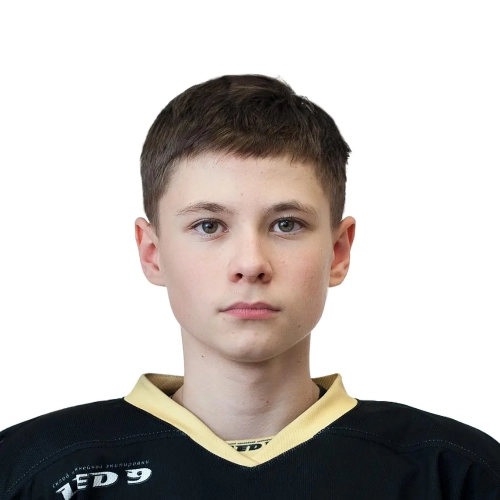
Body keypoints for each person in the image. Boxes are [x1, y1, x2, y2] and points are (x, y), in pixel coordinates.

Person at [1, 74, 499, 499]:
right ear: (152, 253)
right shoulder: (32, 471)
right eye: (209, 226)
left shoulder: (456, 475)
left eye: (286, 224)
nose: (251, 264)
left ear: (338, 251)